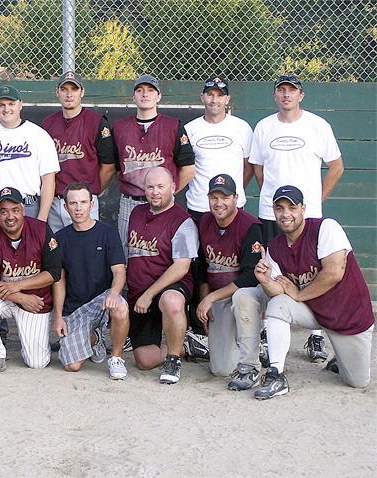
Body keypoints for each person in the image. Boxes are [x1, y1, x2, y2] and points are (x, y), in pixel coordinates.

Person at [249, 74, 345, 363]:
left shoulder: (318, 125)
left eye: (292, 90)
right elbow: (258, 169)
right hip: (271, 213)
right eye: (281, 90)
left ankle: (316, 334)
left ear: (301, 95)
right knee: (272, 269)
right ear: (275, 96)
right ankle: (271, 327)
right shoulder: (264, 127)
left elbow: (336, 167)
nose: (286, 95)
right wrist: (275, 204)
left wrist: (315, 201)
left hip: (308, 216)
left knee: (311, 273)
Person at [253, 185, 373, 400]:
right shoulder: (275, 247)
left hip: (348, 315)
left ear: (303, 209)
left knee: (357, 381)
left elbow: (334, 272)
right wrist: (264, 281)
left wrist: (299, 295)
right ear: (274, 212)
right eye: (279, 208)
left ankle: (341, 359)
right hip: (314, 312)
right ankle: (276, 374)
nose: (286, 214)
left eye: (292, 207)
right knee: (278, 304)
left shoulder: (325, 228)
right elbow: (278, 291)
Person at [0, 187, 61, 375]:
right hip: (7, 298)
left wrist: (19, 285)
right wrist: (20, 297)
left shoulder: (41, 229)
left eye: (14, 210)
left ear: (23, 210)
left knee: (37, 362)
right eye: (4, 211)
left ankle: (34, 341)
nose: (10, 216)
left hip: (36, 302)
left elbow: (54, 272)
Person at [126, 167, 199, 384]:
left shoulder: (182, 221)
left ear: (173, 188)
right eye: (150, 187)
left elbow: (181, 267)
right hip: (139, 294)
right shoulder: (136, 213)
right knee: (145, 360)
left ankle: (173, 359)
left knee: (172, 302)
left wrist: (149, 294)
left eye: (161, 187)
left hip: (169, 286)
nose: (155, 192)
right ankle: (187, 346)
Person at [196, 174, 267, 390]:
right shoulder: (205, 222)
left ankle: (252, 353)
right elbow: (201, 267)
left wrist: (210, 297)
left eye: (225, 197)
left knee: (241, 297)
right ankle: (251, 345)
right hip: (219, 299)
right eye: (214, 197)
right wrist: (205, 301)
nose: (219, 203)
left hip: (245, 297)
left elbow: (249, 276)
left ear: (236, 198)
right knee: (220, 369)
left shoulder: (250, 226)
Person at [53, 182, 129, 379]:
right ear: (65, 207)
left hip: (103, 300)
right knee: (72, 366)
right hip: (76, 308)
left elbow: (119, 271)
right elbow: (59, 280)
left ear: (92, 204)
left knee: (120, 307)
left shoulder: (108, 234)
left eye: (83, 202)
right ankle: (95, 339)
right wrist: (58, 316)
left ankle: (116, 358)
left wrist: (114, 293)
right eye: (73, 203)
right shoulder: (60, 238)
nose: (79, 208)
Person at [0, 84, 60, 238]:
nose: (6, 109)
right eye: (1, 105)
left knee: (29, 258)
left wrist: (41, 218)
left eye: (11, 104)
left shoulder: (39, 135)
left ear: (20, 105)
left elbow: (48, 180)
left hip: (27, 206)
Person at [112, 74, 196, 249]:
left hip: (163, 205)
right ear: (133, 96)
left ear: (158, 96)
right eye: (140, 90)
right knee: (127, 256)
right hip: (130, 202)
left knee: (163, 254)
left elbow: (188, 169)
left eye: (150, 90)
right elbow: (117, 168)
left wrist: (165, 194)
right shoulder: (120, 127)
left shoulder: (173, 126)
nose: (145, 94)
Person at [42, 71, 117, 232]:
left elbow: (109, 167)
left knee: (85, 250)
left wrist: (90, 192)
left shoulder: (97, 122)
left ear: (82, 92)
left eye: (74, 89)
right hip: (55, 201)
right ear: (57, 92)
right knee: (56, 252)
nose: (69, 94)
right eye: (64, 89)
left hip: (83, 202)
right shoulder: (48, 123)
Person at [184, 77, 253, 222]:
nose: (214, 100)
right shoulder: (189, 130)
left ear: (227, 99)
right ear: (202, 97)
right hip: (199, 207)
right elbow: (184, 168)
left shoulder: (242, 128)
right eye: (210, 95)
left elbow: (249, 167)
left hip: (233, 208)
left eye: (220, 95)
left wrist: (231, 192)